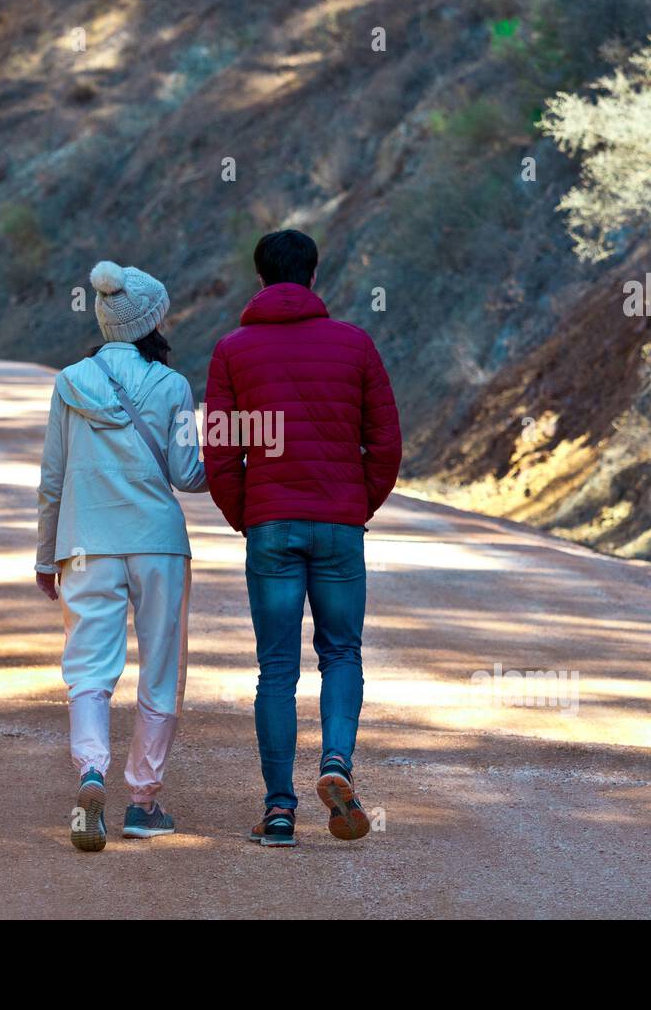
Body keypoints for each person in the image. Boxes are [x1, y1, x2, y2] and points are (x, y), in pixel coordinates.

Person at [204, 230, 401, 847]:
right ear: (314, 278)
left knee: (277, 669)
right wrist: (355, 504)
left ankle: (280, 811)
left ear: (259, 281)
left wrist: (249, 515)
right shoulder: (356, 345)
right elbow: (387, 444)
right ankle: (337, 765)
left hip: (271, 527)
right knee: (342, 653)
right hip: (340, 525)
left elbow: (220, 453)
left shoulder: (232, 352)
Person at [35, 260, 207, 852]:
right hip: (157, 544)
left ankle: (90, 775)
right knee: (160, 670)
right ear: (153, 321)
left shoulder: (69, 382)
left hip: (85, 543)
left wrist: (44, 555)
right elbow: (187, 475)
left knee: (88, 671)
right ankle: (142, 802)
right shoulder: (173, 386)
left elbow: (53, 479)